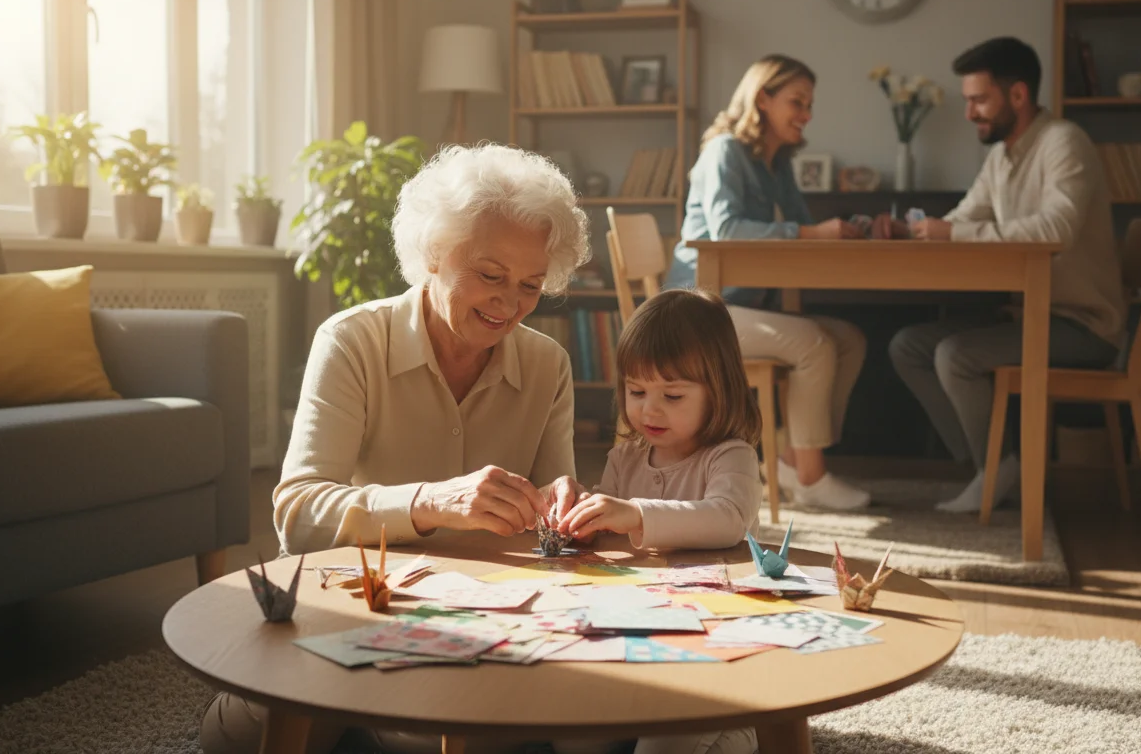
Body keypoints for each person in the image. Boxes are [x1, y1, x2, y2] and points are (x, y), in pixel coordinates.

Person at [202, 142, 594, 754]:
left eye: (531, 285)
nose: (510, 303)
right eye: (490, 275)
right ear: (434, 253)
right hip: (354, 610)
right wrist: (433, 502)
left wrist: (564, 514)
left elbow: (553, 529)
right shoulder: (352, 342)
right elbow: (299, 514)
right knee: (244, 733)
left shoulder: (549, 365)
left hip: (484, 623)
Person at [880, 37, 1125, 513]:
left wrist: (952, 233)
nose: (969, 112)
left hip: (1083, 325)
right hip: (1027, 316)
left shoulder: (1063, 142)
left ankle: (996, 470)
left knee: (955, 354)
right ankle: (993, 465)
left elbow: (1055, 228)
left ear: (1017, 95)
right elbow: (961, 218)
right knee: (907, 345)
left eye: (978, 99)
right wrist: (910, 233)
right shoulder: (1001, 157)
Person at [554, 288, 761, 754]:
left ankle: (741, 727)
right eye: (636, 391)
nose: (649, 409)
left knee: (668, 744)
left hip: (712, 650)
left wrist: (634, 512)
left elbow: (728, 519)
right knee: (573, 738)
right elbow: (606, 537)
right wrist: (581, 517)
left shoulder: (731, 456)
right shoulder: (625, 457)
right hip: (637, 640)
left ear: (719, 390)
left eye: (672, 395)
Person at [665, 54, 872, 512]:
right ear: (763, 98)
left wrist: (845, 230)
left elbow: (802, 226)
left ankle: (794, 461)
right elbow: (726, 231)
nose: (807, 115)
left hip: (736, 306)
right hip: (696, 313)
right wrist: (814, 233)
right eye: (797, 102)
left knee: (849, 339)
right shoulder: (724, 151)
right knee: (814, 342)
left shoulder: (776, 164)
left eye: (809, 105)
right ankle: (811, 477)